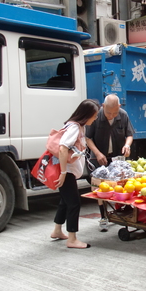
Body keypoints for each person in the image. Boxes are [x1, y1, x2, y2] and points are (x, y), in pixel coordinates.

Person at [50, 99, 100, 249]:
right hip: (68, 171)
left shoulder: (79, 126)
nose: (95, 118)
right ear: (86, 115)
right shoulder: (75, 127)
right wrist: (64, 172)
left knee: (65, 201)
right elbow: (63, 148)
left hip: (69, 171)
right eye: (94, 116)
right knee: (74, 203)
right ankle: (72, 239)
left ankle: (57, 230)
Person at [86, 94, 135, 231]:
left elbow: (129, 134)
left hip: (117, 159)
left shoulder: (123, 115)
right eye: (108, 112)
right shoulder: (96, 117)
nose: (111, 115)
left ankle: (122, 213)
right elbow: (88, 138)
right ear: (103, 106)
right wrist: (97, 152)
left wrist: (127, 145)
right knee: (100, 188)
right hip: (99, 158)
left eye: (115, 112)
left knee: (121, 186)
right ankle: (103, 216)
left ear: (119, 107)